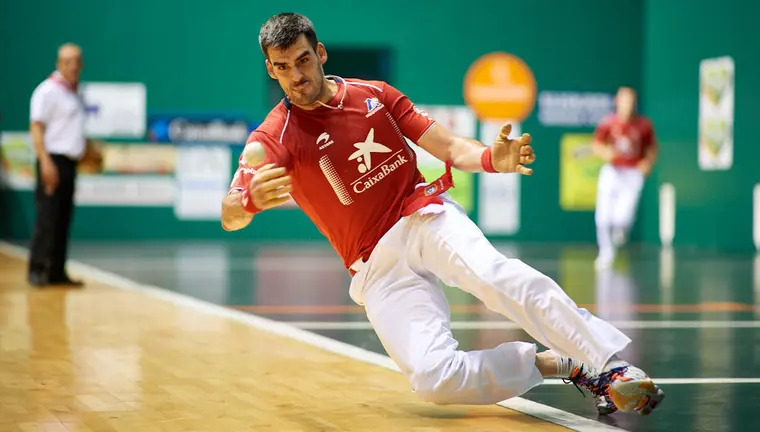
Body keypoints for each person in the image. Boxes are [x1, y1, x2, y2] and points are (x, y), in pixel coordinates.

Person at [222, 13, 664, 416]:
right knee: (435, 379)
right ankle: (565, 364)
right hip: (375, 265)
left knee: (498, 277)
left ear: (320, 53)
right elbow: (229, 215)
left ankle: (612, 366)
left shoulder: (375, 95)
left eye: (302, 60)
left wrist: (492, 158)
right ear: (270, 69)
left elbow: (449, 147)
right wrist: (248, 202)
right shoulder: (272, 138)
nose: (296, 76)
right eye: (283, 67)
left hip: (423, 217)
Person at [27, 43, 87, 287]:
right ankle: (37, 270)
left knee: (63, 218)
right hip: (51, 161)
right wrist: (45, 162)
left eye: (77, 61)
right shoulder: (47, 91)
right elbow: (36, 127)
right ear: (58, 63)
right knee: (47, 218)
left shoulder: (76, 92)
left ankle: (57, 271)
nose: (73, 66)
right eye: (68, 61)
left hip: (71, 164)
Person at [592, 87, 657, 270]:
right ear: (617, 102)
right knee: (603, 217)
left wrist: (647, 163)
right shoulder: (607, 123)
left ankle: (621, 232)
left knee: (623, 217)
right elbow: (597, 145)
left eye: (630, 101)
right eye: (623, 100)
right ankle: (606, 253)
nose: (627, 105)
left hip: (633, 173)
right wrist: (606, 153)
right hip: (612, 171)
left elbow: (651, 149)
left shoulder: (644, 125)